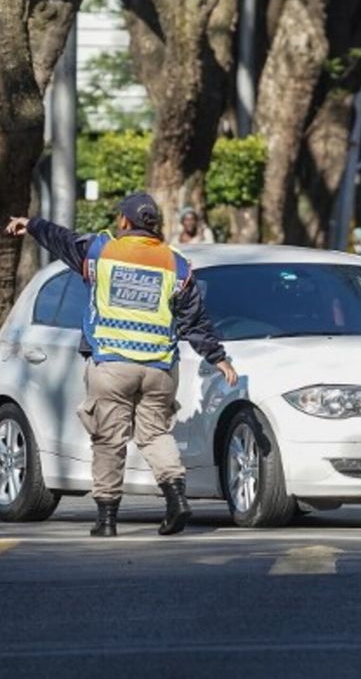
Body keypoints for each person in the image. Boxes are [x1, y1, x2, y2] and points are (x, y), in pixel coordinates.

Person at [5, 193, 238, 538]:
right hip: (159, 367)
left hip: (112, 363)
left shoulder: (101, 251)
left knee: (108, 440)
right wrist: (218, 358)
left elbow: (62, 239)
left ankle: (107, 519)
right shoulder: (177, 264)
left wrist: (32, 224)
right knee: (155, 433)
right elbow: (194, 321)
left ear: (126, 222)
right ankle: (175, 498)